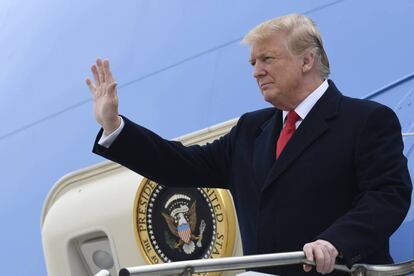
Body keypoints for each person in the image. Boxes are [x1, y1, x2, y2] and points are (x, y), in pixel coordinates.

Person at [87, 14, 412, 275]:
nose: (256, 72)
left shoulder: (366, 120)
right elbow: (180, 164)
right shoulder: (251, 129)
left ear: (307, 60)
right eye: (253, 63)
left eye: (267, 59)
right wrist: (114, 126)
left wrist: (334, 242)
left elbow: (387, 197)